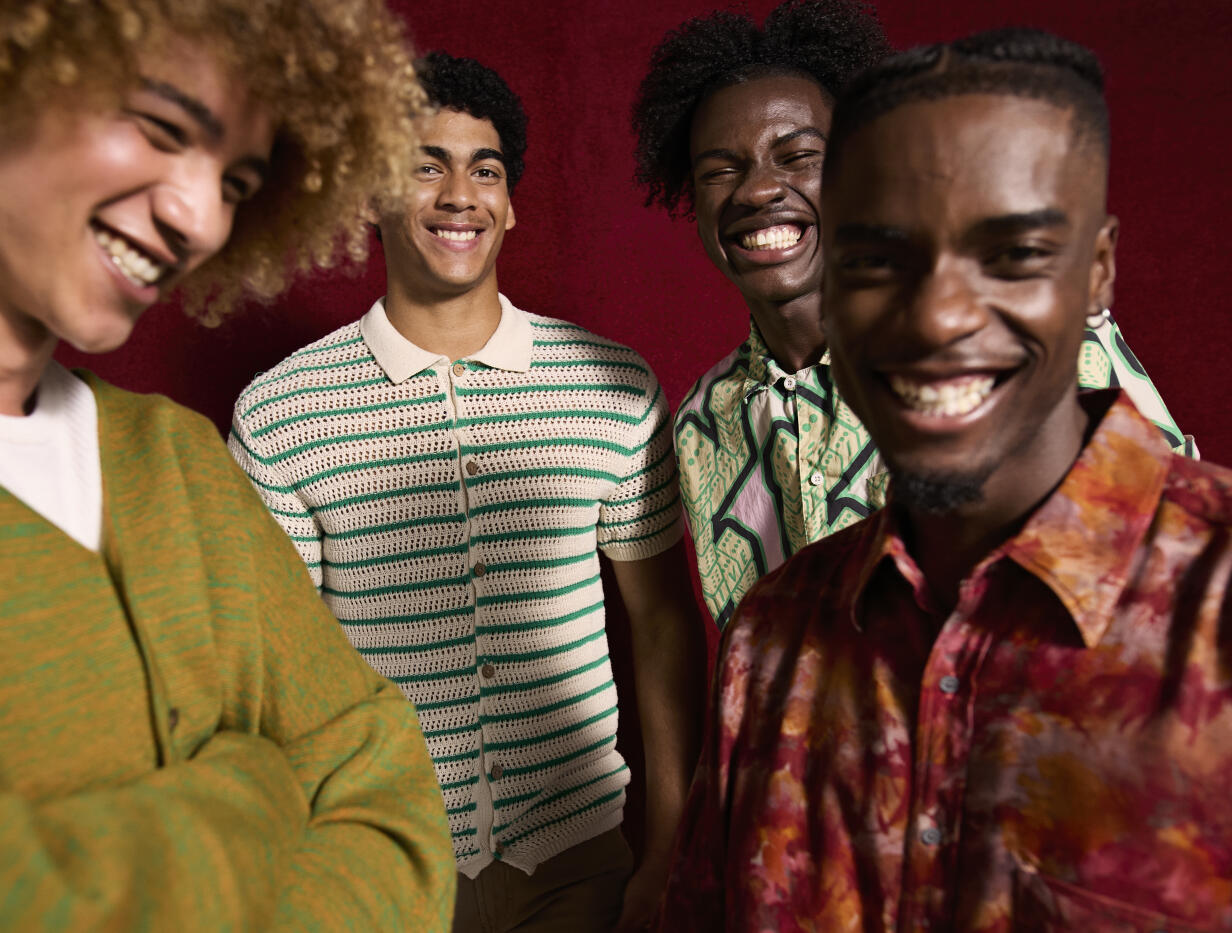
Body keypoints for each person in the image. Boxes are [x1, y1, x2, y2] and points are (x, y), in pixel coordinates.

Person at [0, 2, 454, 929]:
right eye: (161, 128)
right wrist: (258, 784)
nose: (198, 219)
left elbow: (395, 803)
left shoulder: (176, 463)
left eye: (238, 183)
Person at [658, 29, 1232, 931]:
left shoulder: (1201, 615)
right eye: (880, 258)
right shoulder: (766, 640)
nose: (939, 313)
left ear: (1096, 274)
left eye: (1007, 254)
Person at [231, 51, 705, 933]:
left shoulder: (611, 385)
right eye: (425, 165)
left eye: (483, 169)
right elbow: (273, 670)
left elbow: (666, 621)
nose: (459, 195)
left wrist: (671, 842)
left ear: (511, 203)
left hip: (578, 863)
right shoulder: (279, 411)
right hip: (374, 869)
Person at [632, 0, 1198, 630]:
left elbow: (1180, 571)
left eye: (798, 157)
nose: (757, 189)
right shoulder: (701, 423)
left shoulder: (1015, 340)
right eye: (721, 170)